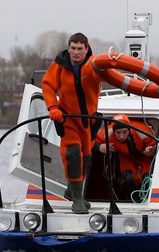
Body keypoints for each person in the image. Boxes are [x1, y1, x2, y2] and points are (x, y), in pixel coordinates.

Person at [42, 32, 103, 214]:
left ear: (86, 49)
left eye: (80, 49)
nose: (76, 52)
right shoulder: (59, 65)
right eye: (73, 48)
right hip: (67, 118)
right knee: (73, 153)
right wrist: (53, 107)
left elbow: (107, 76)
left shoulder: (94, 66)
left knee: (86, 157)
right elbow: (48, 85)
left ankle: (73, 190)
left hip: (89, 121)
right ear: (68, 48)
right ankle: (77, 199)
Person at [94, 114, 156, 200]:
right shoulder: (107, 133)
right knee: (128, 180)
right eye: (118, 133)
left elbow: (158, 146)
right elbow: (90, 143)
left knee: (147, 179)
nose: (121, 136)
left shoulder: (142, 131)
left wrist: (152, 152)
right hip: (125, 157)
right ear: (114, 130)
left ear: (129, 129)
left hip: (145, 157)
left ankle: (144, 200)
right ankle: (131, 201)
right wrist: (99, 147)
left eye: (124, 132)